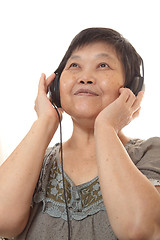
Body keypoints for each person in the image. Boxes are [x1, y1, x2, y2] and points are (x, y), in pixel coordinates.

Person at [0, 27, 160, 240]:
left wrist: (105, 127)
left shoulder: (150, 153)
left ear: (131, 87)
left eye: (103, 65)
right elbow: (3, 222)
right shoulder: (34, 159)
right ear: (56, 86)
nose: (85, 77)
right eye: (74, 65)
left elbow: (139, 229)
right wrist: (46, 122)